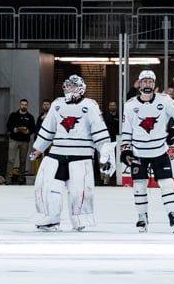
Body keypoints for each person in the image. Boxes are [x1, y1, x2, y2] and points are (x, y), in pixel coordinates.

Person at [29, 75, 116, 231]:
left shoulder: (90, 106)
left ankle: (80, 220)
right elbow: (49, 128)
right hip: (57, 154)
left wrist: (106, 155)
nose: (69, 89)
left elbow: (99, 132)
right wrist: (39, 148)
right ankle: (50, 219)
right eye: (67, 86)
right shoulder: (57, 104)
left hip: (81, 156)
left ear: (81, 89)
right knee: (49, 187)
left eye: (73, 86)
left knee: (79, 191)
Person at [120, 70, 174, 232]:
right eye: (144, 81)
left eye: (150, 81)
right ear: (139, 84)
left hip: (159, 151)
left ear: (154, 84)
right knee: (139, 185)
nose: (147, 84)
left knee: (167, 183)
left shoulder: (164, 100)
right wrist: (126, 150)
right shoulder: (130, 105)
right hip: (138, 153)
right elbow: (126, 130)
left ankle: (173, 215)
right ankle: (142, 218)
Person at [5, 98, 35, 184]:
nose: (24, 106)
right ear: (20, 105)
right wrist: (15, 129)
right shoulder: (13, 115)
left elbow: (33, 128)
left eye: (25, 105)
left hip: (24, 141)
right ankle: (8, 178)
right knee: (10, 159)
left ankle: (21, 178)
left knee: (23, 160)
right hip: (14, 139)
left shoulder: (30, 117)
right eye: (22, 104)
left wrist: (28, 131)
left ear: (27, 106)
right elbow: (8, 125)